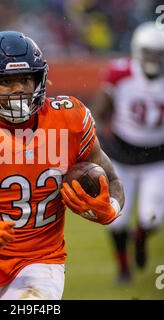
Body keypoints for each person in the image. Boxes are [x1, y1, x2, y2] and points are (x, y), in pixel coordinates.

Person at [0, 30, 125, 300]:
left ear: (41, 78)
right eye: (6, 81)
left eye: (26, 78)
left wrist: (112, 208)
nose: (19, 89)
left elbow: (114, 180)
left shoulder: (70, 120)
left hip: (42, 260)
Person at [92, 21, 164, 283]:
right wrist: (102, 131)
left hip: (157, 157)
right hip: (120, 154)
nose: (155, 59)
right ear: (137, 51)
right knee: (115, 218)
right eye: (150, 52)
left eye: (160, 54)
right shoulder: (120, 74)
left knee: (151, 217)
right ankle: (124, 267)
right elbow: (99, 108)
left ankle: (142, 239)